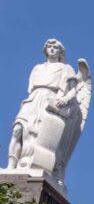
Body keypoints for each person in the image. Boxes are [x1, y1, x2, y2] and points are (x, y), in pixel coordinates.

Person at [8, 39, 77, 170]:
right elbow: (31, 88)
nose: (51, 49)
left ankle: (37, 163)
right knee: (18, 130)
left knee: (41, 136)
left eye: (55, 47)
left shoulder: (66, 68)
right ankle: (11, 166)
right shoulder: (37, 68)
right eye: (49, 47)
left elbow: (73, 90)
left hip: (50, 100)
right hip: (33, 99)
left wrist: (65, 99)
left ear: (60, 52)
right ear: (45, 50)